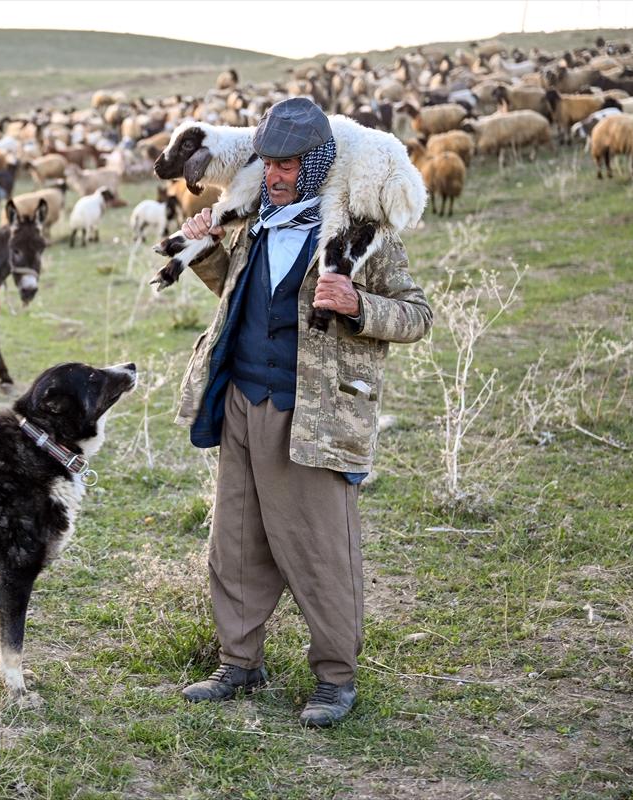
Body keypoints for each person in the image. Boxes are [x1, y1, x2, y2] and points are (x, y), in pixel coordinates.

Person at [174, 97, 433, 727]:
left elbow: (418, 316)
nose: (274, 175)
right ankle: (240, 662)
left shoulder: (364, 237)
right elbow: (237, 295)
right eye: (268, 163)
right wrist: (205, 250)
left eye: (288, 166)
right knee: (235, 542)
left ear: (316, 165)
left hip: (313, 417)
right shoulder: (256, 224)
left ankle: (336, 678)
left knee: (320, 551)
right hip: (241, 401)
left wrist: (358, 306)